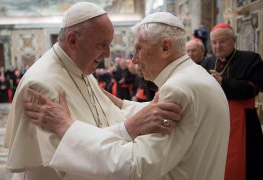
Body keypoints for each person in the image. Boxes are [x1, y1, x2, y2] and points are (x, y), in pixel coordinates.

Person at [24, 12, 230, 180]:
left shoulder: (177, 89)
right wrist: (121, 104)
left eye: (139, 48)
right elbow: (173, 116)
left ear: (165, 47)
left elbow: (134, 166)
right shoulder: (197, 76)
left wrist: (66, 128)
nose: (135, 59)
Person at [4, 3, 182, 180]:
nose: (107, 54)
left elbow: (110, 115)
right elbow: (73, 164)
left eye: (109, 45)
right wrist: (132, 127)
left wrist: (147, 110)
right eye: (101, 45)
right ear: (72, 40)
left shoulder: (81, 69)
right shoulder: (41, 84)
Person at [202, 23, 263, 180]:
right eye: (214, 42)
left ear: (233, 40)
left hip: (244, 121)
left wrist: (224, 82)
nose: (217, 46)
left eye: (222, 41)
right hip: (214, 121)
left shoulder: (251, 59)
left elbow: (255, 88)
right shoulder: (207, 63)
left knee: (248, 164)